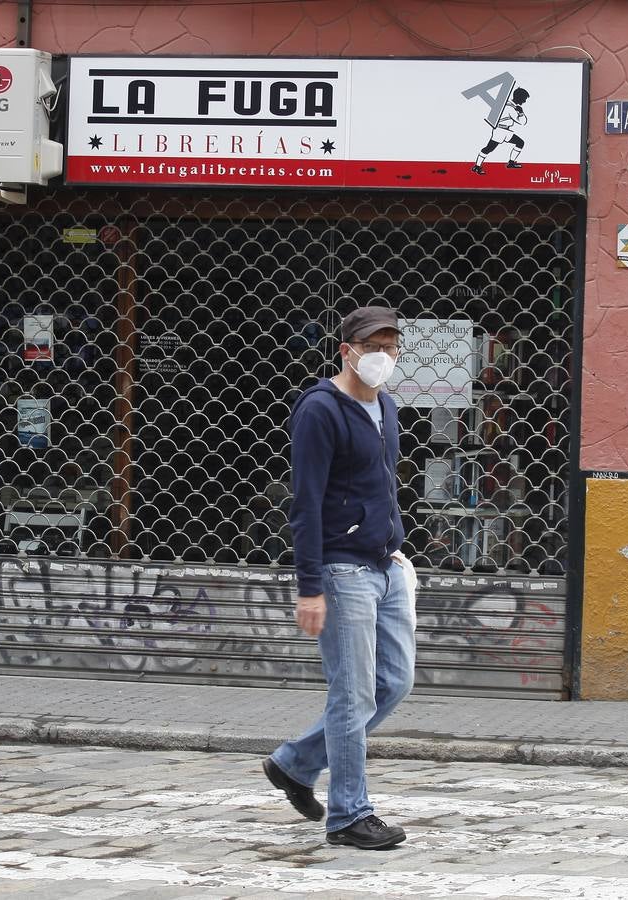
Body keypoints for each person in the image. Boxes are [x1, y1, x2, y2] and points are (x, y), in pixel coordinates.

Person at [262, 305, 416, 850]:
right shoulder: (320, 410)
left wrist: (396, 547)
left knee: (393, 684)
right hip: (340, 568)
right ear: (347, 350)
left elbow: (381, 486)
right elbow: (305, 502)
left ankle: (296, 762)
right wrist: (309, 587)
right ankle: (350, 816)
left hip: (385, 565)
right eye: (374, 345)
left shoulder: (388, 407)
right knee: (351, 697)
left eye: (392, 346)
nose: (384, 356)